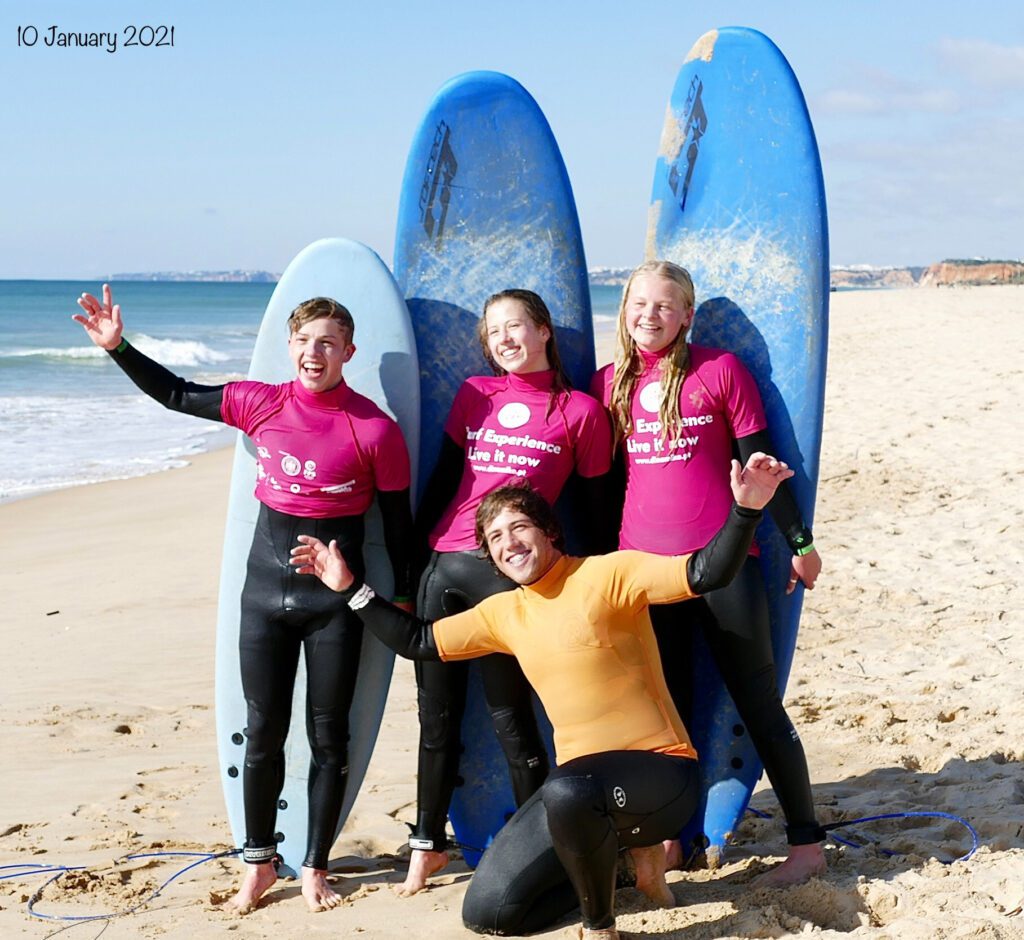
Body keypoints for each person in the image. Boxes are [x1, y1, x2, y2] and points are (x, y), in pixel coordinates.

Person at [290, 454, 792, 939]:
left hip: (662, 777)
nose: (509, 543)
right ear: (493, 559)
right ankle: (618, 875)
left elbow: (706, 572)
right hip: (580, 795)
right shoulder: (502, 614)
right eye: (495, 537)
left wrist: (747, 508)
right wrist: (350, 587)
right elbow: (418, 641)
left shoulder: (608, 574)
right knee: (491, 911)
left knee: (565, 789)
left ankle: (600, 928)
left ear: (548, 531)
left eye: (518, 527)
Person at [73, 285, 414, 913]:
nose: (315, 353)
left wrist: (405, 604)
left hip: (333, 605)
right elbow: (177, 393)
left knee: (329, 736)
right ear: (289, 347)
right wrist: (118, 348)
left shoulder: (374, 430)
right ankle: (257, 864)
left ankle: (314, 865)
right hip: (261, 597)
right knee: (261, 732)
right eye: (305, 341)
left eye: (328, 344)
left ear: (348, 351)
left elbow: (397, 528)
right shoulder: (259, 403)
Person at [590, 259, 826, 886]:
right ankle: (671, 841)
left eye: (665, 306)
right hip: (643, 574)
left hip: (724, 566)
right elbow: (603, 488)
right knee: (663, 713)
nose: (649, 315)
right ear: (624, 308)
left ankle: (806, 846)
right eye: (639, 303)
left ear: (687, 315)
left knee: (758, 703)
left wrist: (798, 543)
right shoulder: (610, 383)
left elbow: (764, 468)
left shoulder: (720, 371)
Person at [403, 288, 612, 895]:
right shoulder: (475, 394)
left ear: (544, 331)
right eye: (494, 333)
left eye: (515, 327)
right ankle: (426, 845)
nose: (505, 340)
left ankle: (542, 848)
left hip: (506, 579)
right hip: (442, 568)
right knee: (436, 720)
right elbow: (444, 478)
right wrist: (411, 563)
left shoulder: (581, 412)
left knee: (512, 721)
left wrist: (592, 585)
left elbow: (596, 512)